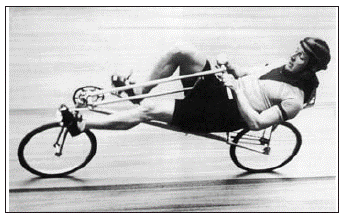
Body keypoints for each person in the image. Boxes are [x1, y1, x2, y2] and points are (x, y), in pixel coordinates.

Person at [62, 37, 331, 136]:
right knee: (182, 50)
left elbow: (256, 124)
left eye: (301, 57)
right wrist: (230, 66)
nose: (293, 57)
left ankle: (82, 125)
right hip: (222, 88)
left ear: (310, 67)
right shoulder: (281, 63)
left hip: (227, 113)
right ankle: (138, 91)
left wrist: (236, 90)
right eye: (296, 51)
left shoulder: (293, 100)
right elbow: (245, 73)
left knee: (149, 110)